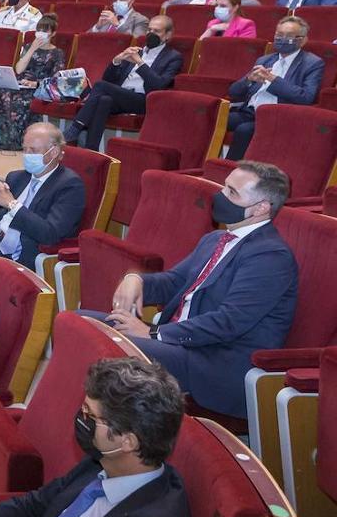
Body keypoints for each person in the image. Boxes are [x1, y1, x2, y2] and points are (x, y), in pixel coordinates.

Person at [101, 161, 297, 418]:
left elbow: (228, 322)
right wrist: (136, 279)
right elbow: (174, 281)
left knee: (109, 346)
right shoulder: (215, 239)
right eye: (224, 187)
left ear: (260, 208)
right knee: (81, 323)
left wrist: (154, 332)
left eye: (232, 193)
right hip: (183, 345)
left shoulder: (271, 255)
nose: (220, 196)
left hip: (216, 362)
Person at [0, 359, 189, 517]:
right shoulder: (99, 464)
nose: (80, 419)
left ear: (128, 441)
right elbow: (36, 505)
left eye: (90, 415)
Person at [0, 123, 85, 269]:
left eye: (33, 150)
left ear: (54, 152)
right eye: (25, 149)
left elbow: (50, 234)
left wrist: (12, 204)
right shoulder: (17, 177)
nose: (27, 155)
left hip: (16, 253)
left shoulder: (69, 186)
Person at [65, 16, 184, 150]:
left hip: (143, 100)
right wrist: (117, 60)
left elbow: (159, 85)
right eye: (149, 30)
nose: (151, 34)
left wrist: (140, 63)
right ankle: (91, 149)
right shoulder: (137, 50)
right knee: (104, 100)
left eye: (156, 31)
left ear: (167, 35)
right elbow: (108, 80)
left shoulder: (173, 57)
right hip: (122, 96)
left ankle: (76, 127)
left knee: (99, 86)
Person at [223, 16, 324, 160]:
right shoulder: (265, 60)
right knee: (213, 118)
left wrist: (273, 79)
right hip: (249, 112)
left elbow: (306, 97)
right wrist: (249, 80)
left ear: (302, 40)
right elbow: (233, 92)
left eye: (289, 36)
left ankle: (227, 171)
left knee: (244, 130)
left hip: (277, 117)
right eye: (279, 35)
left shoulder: (312, 63)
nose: (282, 39)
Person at [0, 16, 66, 151]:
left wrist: (35, 83)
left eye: (45, 30)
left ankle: (12, 140)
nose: (41, 33)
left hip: (38, 88)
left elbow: (55, 80)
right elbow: (19, 69)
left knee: (13, 100)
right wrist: (32, 49)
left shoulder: (57, 53)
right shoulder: (28, 47)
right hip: (21, 84)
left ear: (53, 33)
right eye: (39, 30)